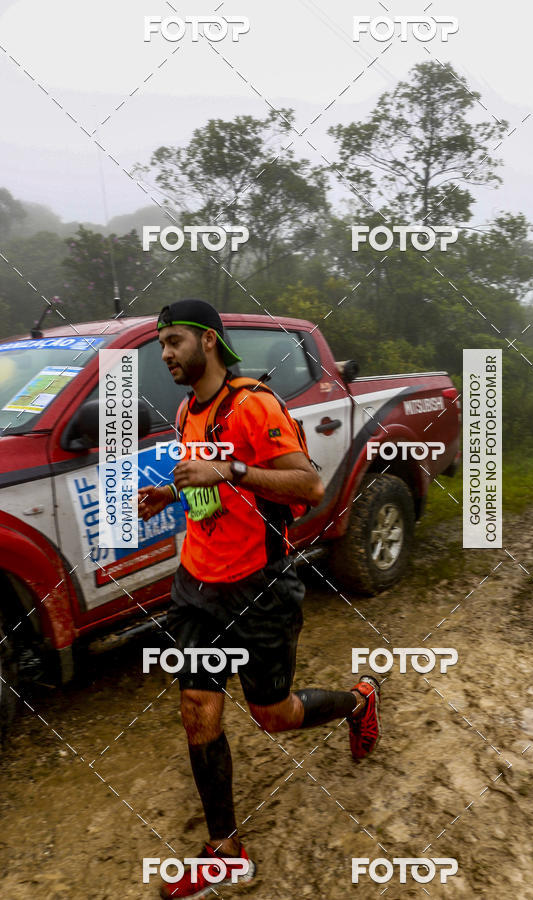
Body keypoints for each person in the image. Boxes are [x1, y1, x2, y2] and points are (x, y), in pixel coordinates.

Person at [137, 299, 381, 899]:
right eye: (161, 344)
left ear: (208, 342)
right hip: (196, 584)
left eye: (173, 342)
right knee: (198, 711)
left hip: (259, 587)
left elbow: (310, 483)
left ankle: (357, 700)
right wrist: (170, 495)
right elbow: (205, 475)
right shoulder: (190, 409)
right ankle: (225, 851)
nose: (164, 354)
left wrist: (235, 471)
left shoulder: (254, 406)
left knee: (272, 716)